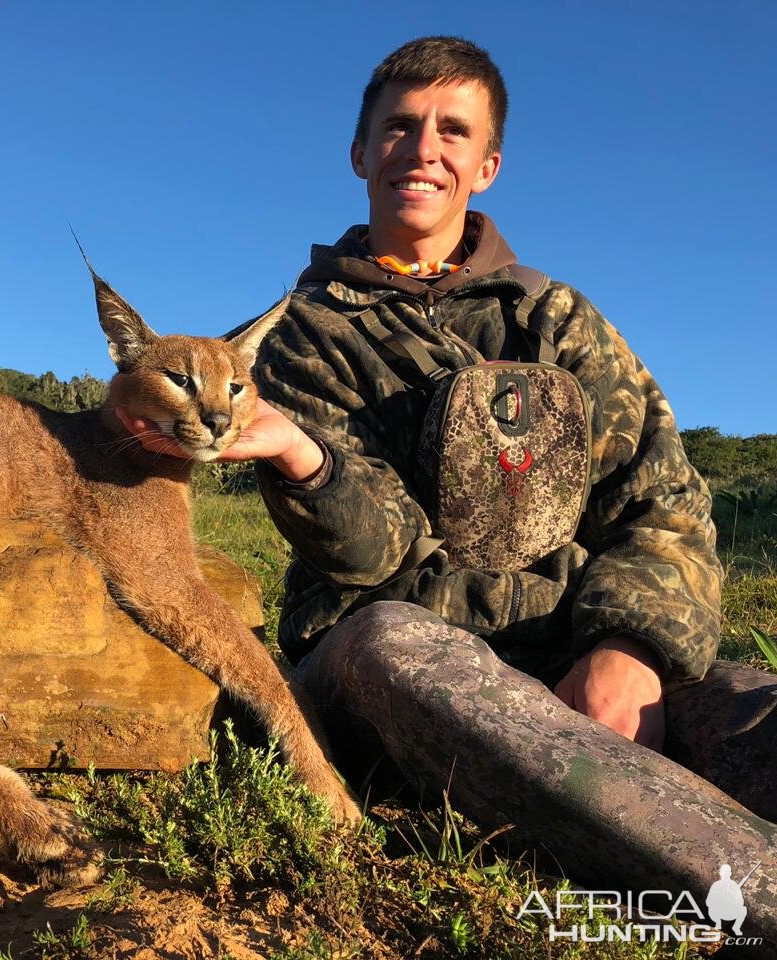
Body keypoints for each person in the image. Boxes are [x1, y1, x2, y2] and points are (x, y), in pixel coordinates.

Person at [117, 35, 777, 945]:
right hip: (393, 659)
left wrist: (631, 648)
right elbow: (370, 556)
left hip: (572, 656)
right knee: (397, 646)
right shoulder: (296, 336)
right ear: (360, 153)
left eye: (452, 130)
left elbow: (661, 500)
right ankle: (747, 896)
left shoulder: (555, 318)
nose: (423, 148)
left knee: (750, 707)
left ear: (487, 164)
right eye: (399, 126)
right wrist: (305, 459)